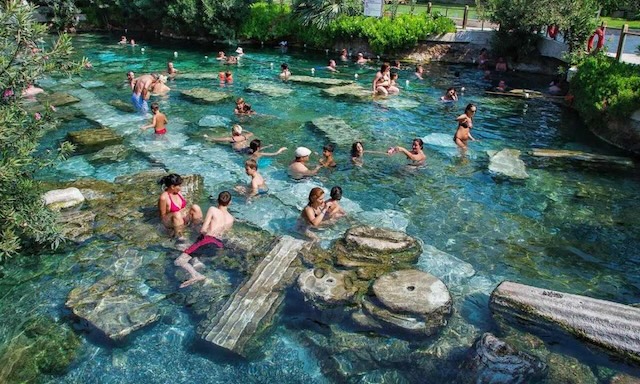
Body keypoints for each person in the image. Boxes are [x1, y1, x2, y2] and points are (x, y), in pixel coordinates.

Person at [174, 191, 233, 288]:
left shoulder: (213, 209)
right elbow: (224, 234)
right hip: (219, 244)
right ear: (230, 202)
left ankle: (196, 275)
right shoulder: (231, 218)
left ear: (217, 200)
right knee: (194, 252)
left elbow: (203, 229)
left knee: (179, 261)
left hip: (208, 240)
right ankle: (197, 263)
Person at [158, 174, 203, 241]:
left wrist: (185, 213)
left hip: (181, 217)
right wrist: (177, 215)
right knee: (177, 214)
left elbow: (184, 207)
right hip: (173, 220)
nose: (180, 187)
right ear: (172, 186)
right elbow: (162, 217)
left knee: (195, 207)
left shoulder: (178, 192)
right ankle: (179, 237)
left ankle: (199, 229)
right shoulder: (163, 198)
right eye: (179, 186)